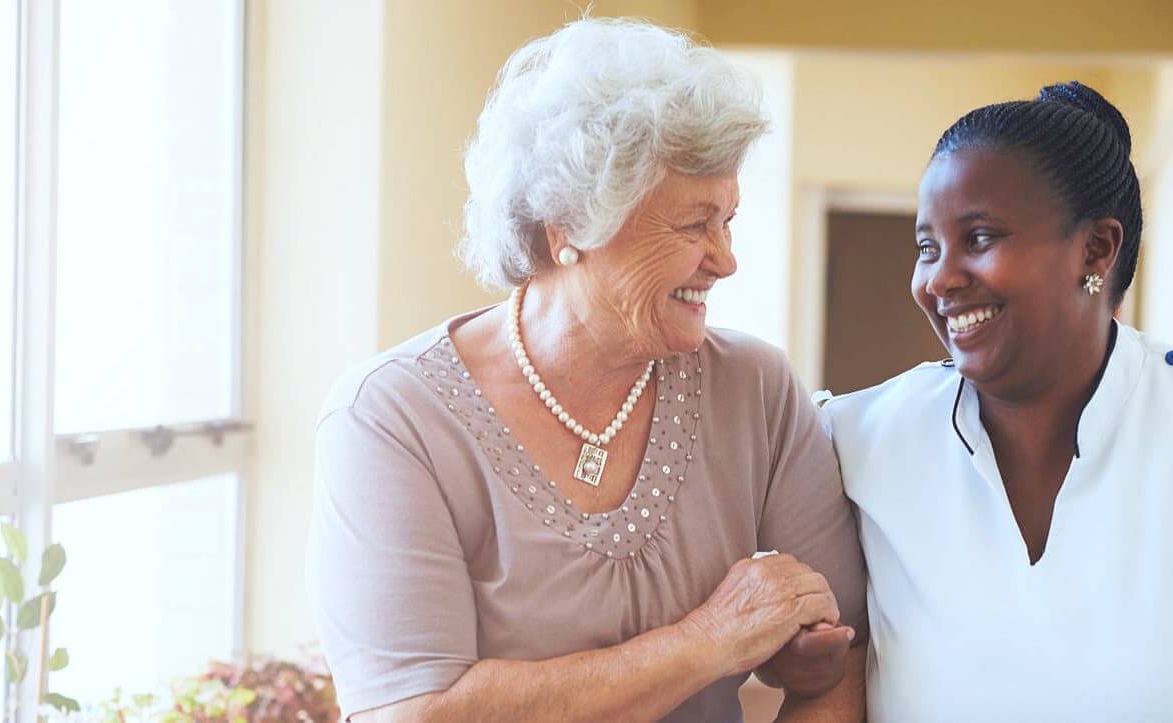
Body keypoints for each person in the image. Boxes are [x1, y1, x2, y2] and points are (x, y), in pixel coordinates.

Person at [306, 19, 866, 722]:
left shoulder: (756, 389)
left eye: (728, 221)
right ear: (566, 226)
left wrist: (802, 650)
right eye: (693, 226)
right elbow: (416, 712)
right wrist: (710, 640)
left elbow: (845, 661)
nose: (725, 259)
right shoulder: (391, 417)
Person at [821, 81, 1173, 721]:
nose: (940, 280)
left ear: (1096, 249)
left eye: (979, 238)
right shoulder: (856, 444)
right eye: (928, 247)